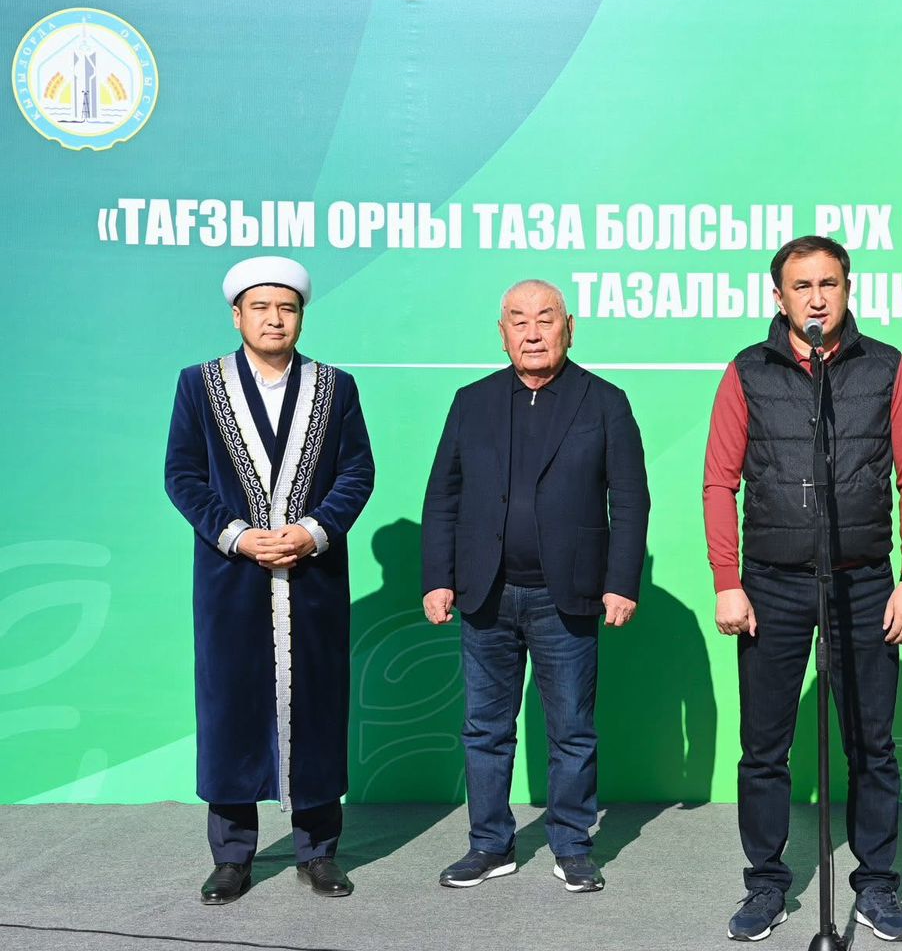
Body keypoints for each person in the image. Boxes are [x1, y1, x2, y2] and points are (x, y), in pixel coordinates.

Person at [703, 235, 902, 942]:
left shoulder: (886, 367)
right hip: (771, 585)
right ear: (779, 298)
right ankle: (766, 885)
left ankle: (877, 885)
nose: (816, 297)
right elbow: (719, 482)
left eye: (828, 283)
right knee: (764, 747)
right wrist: (727, 581)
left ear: (847, 289)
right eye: (801, 286)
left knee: (872, 746)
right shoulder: (748, 370)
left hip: (863, 582)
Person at [422, 279, 648, 893]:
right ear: (502, 334)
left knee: (571, 729)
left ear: (569, 328)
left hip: (565, 597)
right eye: (518, 321)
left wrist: (621, 582)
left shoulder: (605, 402)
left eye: (545, 319)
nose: (532, 332)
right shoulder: (471, 401)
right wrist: (438, 579)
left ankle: (572, 845)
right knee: (485, 729)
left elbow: (630, 500)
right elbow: (443, 497)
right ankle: (489, 844)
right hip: (485, 595)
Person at [165, 255, 375, 904]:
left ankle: (319, 852)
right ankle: (232, 857)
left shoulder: (335, 387)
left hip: (312, 583)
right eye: (261, 307)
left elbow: (357, 472)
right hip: (230, 581)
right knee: (230, 710)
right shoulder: (199, 385)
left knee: (317, 709)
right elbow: (182, 474)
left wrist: (314, 530)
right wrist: (234, 534)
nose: (274, 319)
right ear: (237, 315)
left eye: (286, 307)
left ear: (302, 315)